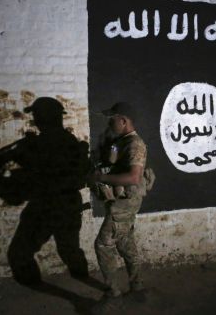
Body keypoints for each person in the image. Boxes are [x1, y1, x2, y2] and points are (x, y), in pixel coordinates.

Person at [0, 97, 90, 285]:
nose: (34, 119)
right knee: (69, 250)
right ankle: (90, 284)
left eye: (36, 115)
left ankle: (38, 287)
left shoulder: (38, 144)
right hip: (68, 205)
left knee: (20, 253)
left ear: (43, 117)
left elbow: (21, 175)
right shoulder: (68, 140)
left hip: (45, 206)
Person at [91, 102, 148, 299]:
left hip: (124, 204)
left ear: (123, 121)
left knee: (103, 244)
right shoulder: (122, 141)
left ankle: (112, 292)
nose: (109, 123)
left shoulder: (135, 144)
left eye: (112, 119)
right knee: (124, 241)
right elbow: (115, 163)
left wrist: (101, 178)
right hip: (122, 202)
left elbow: (134, 177)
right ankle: (137, 284)